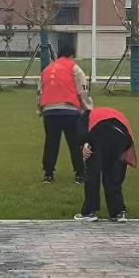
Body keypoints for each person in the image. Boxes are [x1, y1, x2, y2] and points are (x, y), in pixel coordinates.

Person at [38, 43, 92, 184]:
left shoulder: (47, 69)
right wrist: (88, 110)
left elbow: (40, 91)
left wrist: (40, 109)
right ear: (71, 55)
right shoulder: (74, 68)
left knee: (51, 142)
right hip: (69, 111)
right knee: (75, 143)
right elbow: (82, 91)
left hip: (49, 111)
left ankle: (48, 174)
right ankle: (80, 174)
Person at [74, 106, 136, 223]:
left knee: (93, 173)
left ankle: (89, 211)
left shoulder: (86, 116)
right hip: (122, 135)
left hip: (99, 133)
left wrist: (85, 143)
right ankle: (118, 212)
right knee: (114, 176)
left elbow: (82, 134)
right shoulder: (113, 113)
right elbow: (129, 138)